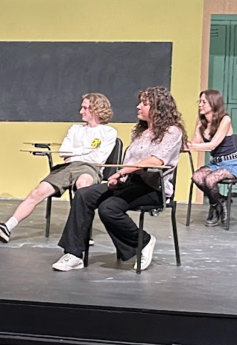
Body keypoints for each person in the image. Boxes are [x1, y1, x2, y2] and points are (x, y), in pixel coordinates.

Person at [52, 87, 185, 272]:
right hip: (131, 184)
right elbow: (129, 162)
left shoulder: (172, 132)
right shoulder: (140, 132)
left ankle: (143, 242)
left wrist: (122, 173)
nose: (138, 106)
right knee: (84, 195)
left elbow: (155, 160)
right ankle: (74, 254)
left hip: (154, 188)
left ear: (158, 107)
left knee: (109, 208)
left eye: (144, 104)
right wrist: (121, 178)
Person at [0, 93, 117, 243]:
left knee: (82, 185)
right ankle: (7, 227)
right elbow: (63, 152)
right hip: (67, 167)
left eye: (85, 108)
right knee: (38, 192)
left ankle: (82, 232)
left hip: (90, 168)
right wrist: (85, 152)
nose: (81, 111)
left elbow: (98, 158)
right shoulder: (75, 129)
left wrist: (76, 153)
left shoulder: (109, 132)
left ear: (96, 109)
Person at [189, 89, 237, 227]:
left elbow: (212, 145)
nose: (200, 105)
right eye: (200, 102)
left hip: (231, 162)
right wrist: (186, 144)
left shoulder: (225, 119)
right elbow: (195, 142)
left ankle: (215, 207)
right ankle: (218, 202)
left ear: (213, 103)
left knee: (210, 180)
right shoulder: (201, 121)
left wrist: (191, 146)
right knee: (197, 177)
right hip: (215, 163)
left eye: (204, 102)